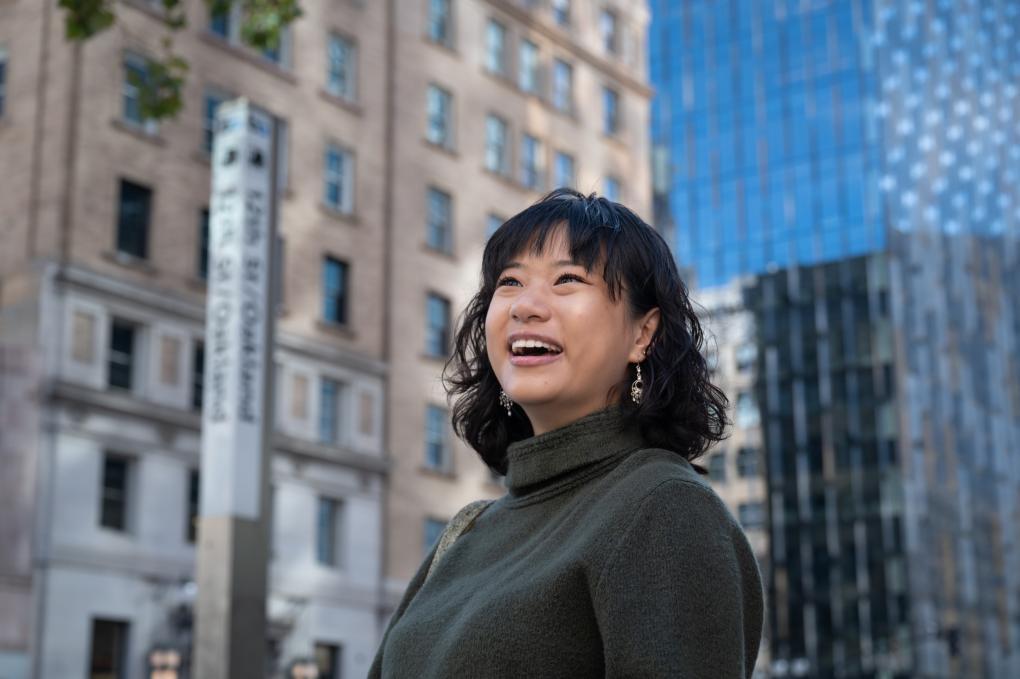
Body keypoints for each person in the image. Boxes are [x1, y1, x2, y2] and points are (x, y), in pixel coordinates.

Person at [369, 188, 764, 678]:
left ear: (642, 334)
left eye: (567, 279)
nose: (525, 306)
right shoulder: (464, 533)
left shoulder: (663, 507)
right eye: (510, 281)